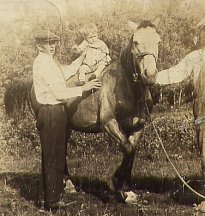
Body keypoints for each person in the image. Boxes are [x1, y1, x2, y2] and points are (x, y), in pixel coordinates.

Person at [33, 30, 101, 211]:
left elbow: (65, 72)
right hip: (51, 111)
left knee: (54, 155)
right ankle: (51, 202)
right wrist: (84, 88)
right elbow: (59, 93)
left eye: (54, 43)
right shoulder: (43, 65)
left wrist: (81, 60)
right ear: (40, 46)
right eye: (48, 44)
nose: (53, 47)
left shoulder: (48, 62)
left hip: (55, 111)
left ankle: (47, 197)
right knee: (52, 157)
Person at [156, 18, 205, 85]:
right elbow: (176, 73)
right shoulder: (196, 56)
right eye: (204, 31)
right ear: (200, 34)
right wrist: (154, 77)